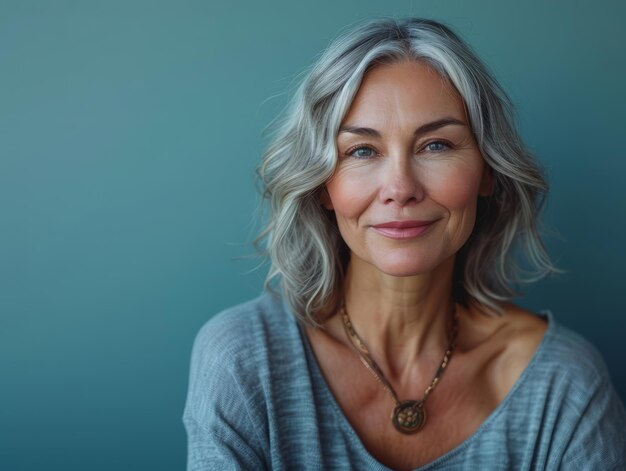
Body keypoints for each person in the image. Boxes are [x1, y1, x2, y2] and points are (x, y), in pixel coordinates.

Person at [183, 18, 626, 470]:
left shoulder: (562, 385)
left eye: (435, 145)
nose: (400, 187)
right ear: (322, 185)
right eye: (362, 151)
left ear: (488, 172)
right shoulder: (242, 361)